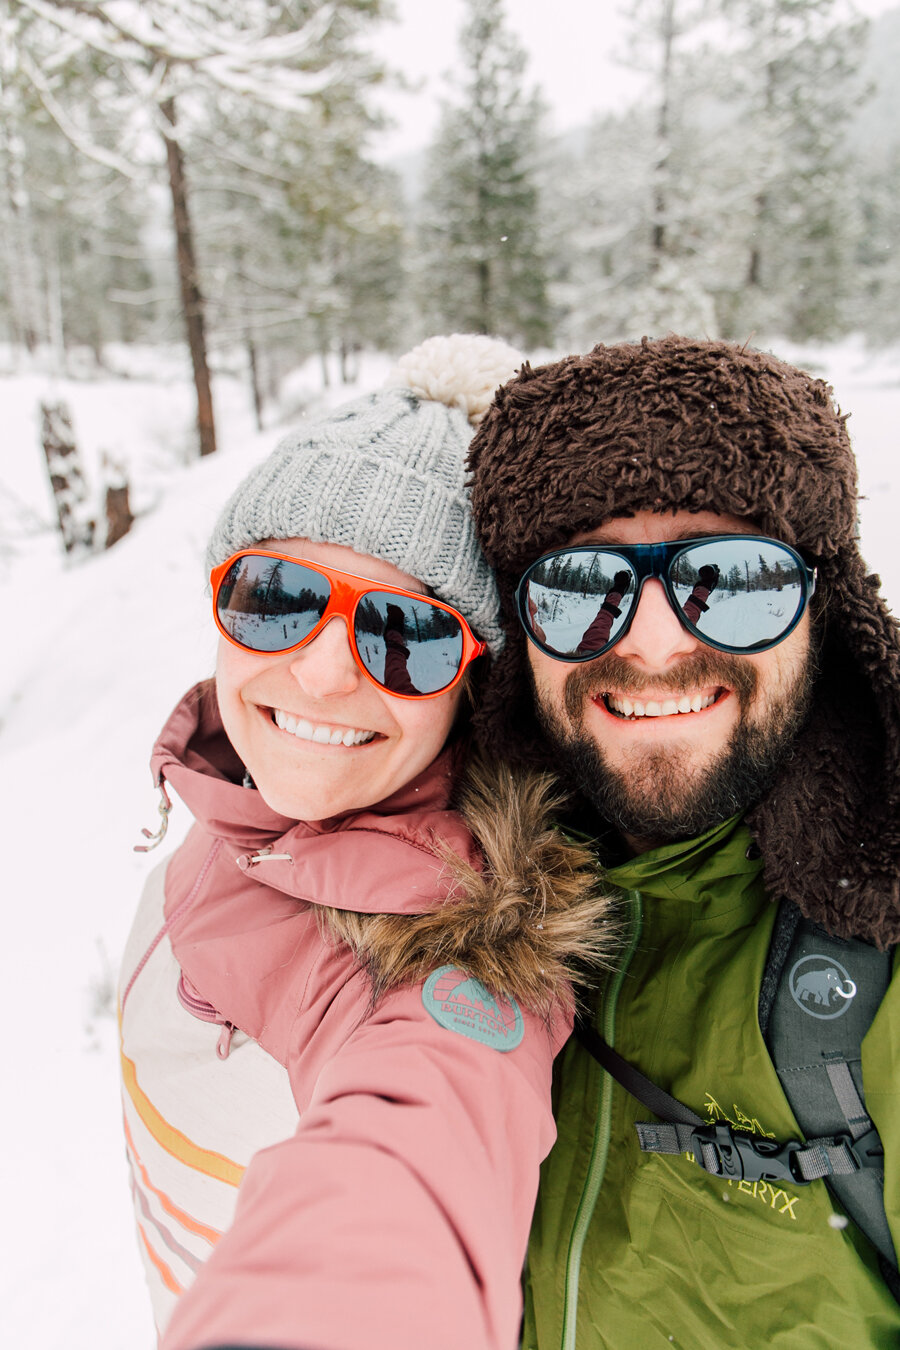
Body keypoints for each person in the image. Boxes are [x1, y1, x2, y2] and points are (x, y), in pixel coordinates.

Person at [119, 335, 612, 1350]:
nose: (322, 675)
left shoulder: (453, 949)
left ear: (472, 681)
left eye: (405, 633)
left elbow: (421, 1138)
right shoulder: (235, 795)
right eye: (280, 599)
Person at [467, 334, 900, 1348]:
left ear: (825, 610)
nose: (653, 646)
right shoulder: (439, 898)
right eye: (581, 588)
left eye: (735, 579)